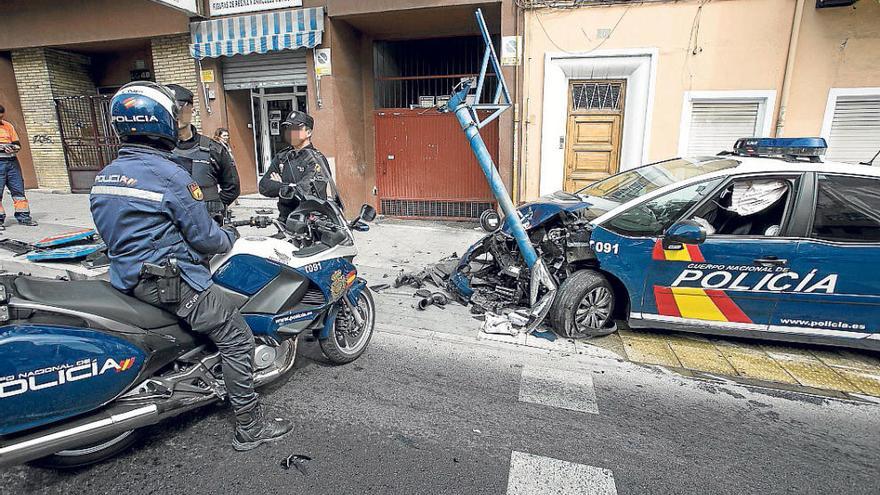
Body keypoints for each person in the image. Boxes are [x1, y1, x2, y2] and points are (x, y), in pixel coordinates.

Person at [90, 81, 292, 451]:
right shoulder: (170, 175)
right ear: (163, 123)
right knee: (237, 337)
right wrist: (230, 237)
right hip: (171, 281)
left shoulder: (107, 175)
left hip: (126, 276)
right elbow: (206, 239)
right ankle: (250, 427)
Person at [167, 84, 240, 223]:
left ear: (192, 110)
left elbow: (232, 188)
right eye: (170, 109)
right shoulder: (156, 151)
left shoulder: (214, 149)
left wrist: (214, 207)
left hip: (208, 225)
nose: (175, 114)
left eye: (179, 108)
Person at [258, 110, 342, 222]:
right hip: (285, 220)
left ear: (308, 133)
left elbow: (305, 192)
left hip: (310, 224)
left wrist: (280, 185)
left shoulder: (316, 159)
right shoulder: (282, 157)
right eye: (288, 128)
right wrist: (289, 186)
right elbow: (264, 186)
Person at [0, 104, 37, 230]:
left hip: (12, 162)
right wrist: (2, 147)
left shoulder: (7, 126)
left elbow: (17, 144)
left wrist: (13, 147)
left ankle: (24, 217)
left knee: (18, 191)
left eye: (1, 117)